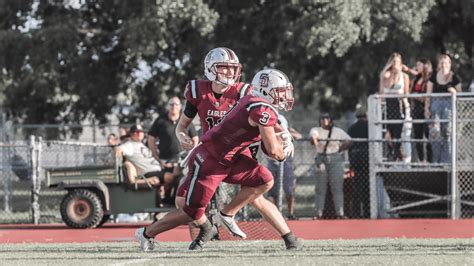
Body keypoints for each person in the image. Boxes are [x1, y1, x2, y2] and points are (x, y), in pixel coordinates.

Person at [135, 68, 301, 252]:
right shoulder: (259, 107)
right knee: (190, 210)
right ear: (265, 90)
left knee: (264, 180)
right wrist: (283, 150)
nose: (284, 96)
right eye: (279, 92)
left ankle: (227, 214)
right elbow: (274, 151)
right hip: (211, 160)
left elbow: (267, 123)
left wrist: (282, 132)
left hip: (234, 156)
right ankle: (146, 233)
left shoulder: (251, 99)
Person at [147, 96, 199, 204]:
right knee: (167, 179)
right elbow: (151, 137)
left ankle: (174, 202)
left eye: (176, 104)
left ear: (180, 107)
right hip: (164, 161)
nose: (173, 106)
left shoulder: (185, 120)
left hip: (181, 162)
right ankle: (164, 202)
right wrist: (155, 155)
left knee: (181, 179)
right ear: (168, 106)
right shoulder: (160, 120)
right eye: (171, 104)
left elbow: (195, 138)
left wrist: (190, 155)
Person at [309, 113, 352, 219]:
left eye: (327, 118)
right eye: (322, 118)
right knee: (320, 188)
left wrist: (340, 149)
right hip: (321, 158)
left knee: (337, 187)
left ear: (331, 120)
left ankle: (340, 213)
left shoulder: (338, 131)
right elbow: (313, 137)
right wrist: (315, 142)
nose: (324, 120)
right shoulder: (316, 129)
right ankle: (318, 213)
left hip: (335, 159)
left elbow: (349, 140)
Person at [425, 54, 462, 163]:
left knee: (447, 135)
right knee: (435, 134)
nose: (444, 65)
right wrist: (427, 108)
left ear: (450, 64)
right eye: (442, 62)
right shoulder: (433, 76)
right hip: (435, 108)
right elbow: (428, 93)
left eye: (446, 63)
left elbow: (460, 94)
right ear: (439, 65)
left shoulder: (454, 77)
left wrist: (454, 92)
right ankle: (436, 162)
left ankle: (446, 161)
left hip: (448, 108)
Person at [266, 114, 302, 220]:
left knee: (289, 188)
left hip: (286, 161)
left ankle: (291, 213)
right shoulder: (267, 125)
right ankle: (275, 214)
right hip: (273, 160)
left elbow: (299, 136)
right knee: (272, 189)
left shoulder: (284, 125)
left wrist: (289, 132)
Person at [379, 53, 410, 162]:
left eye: (397, 62)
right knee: (387, 134)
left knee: (398, 135)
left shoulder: (405, 76)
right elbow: (387, 86)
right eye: (394, 62)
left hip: (400, 105)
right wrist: (394, 74)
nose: (395, 64)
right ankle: (392, 153)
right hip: (388, 105)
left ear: (401, 63)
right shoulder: (386, 74)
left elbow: (406, 93)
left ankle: (396, 157)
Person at [403, 59, 433, 162]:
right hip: (416, 110)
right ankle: (421, 160)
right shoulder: (417, 78)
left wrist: (419, 96)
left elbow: (429, 96)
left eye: (419, 65)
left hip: (427, 110)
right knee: (417, 137)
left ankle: (430, 160)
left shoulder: (430, 78)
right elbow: (411, 93)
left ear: (425, 65)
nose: (417, 67)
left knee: (428, 135)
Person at [347, 108, 370, 218]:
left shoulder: (352, 128)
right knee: (368, 188)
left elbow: (350, 146)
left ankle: (356, 213)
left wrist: (351, 162)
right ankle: (367, 212)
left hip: (356, 159)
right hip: (368, 159)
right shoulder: (370, 127)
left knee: (357, 188)